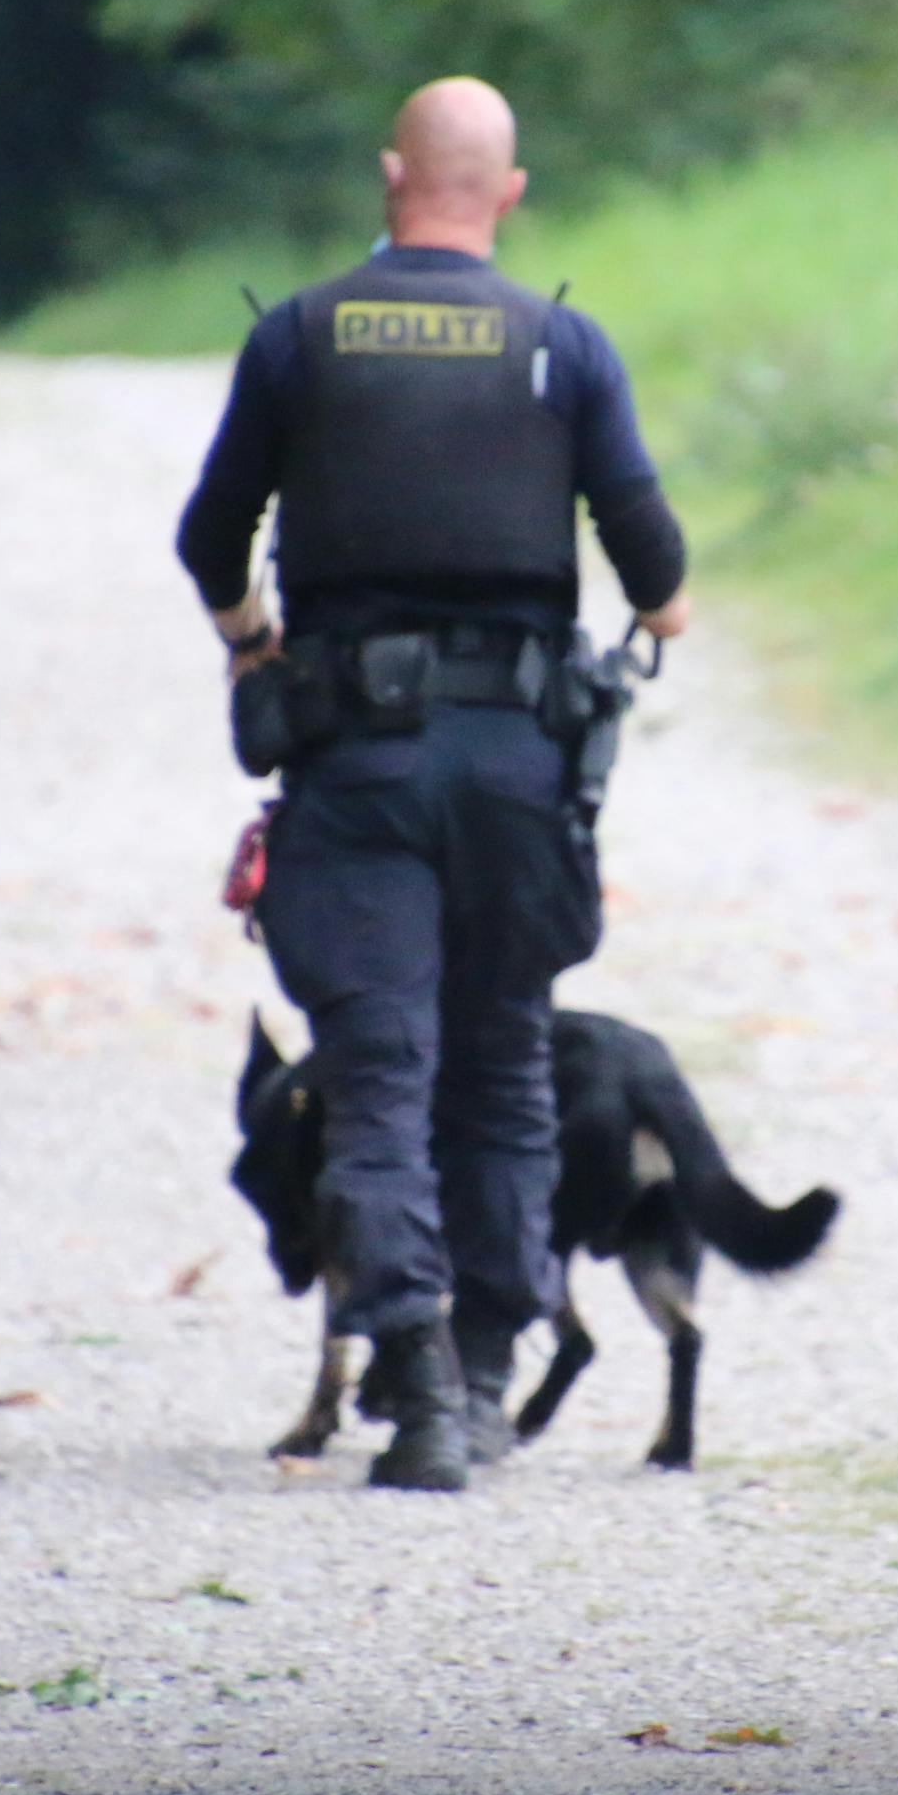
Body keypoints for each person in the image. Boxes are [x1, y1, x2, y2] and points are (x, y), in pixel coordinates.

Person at [176, 77, 691, 1492]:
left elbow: (211, 535)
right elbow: (653, 561)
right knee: (505, 1070)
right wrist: (661, 612)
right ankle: (479, 1373)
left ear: (390, 174)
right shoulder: (562, 344)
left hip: (354, 764)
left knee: (379, 1072)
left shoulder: (300, 336)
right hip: (518, 772)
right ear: (508, 193)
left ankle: (408, 1388)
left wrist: (249, 643)